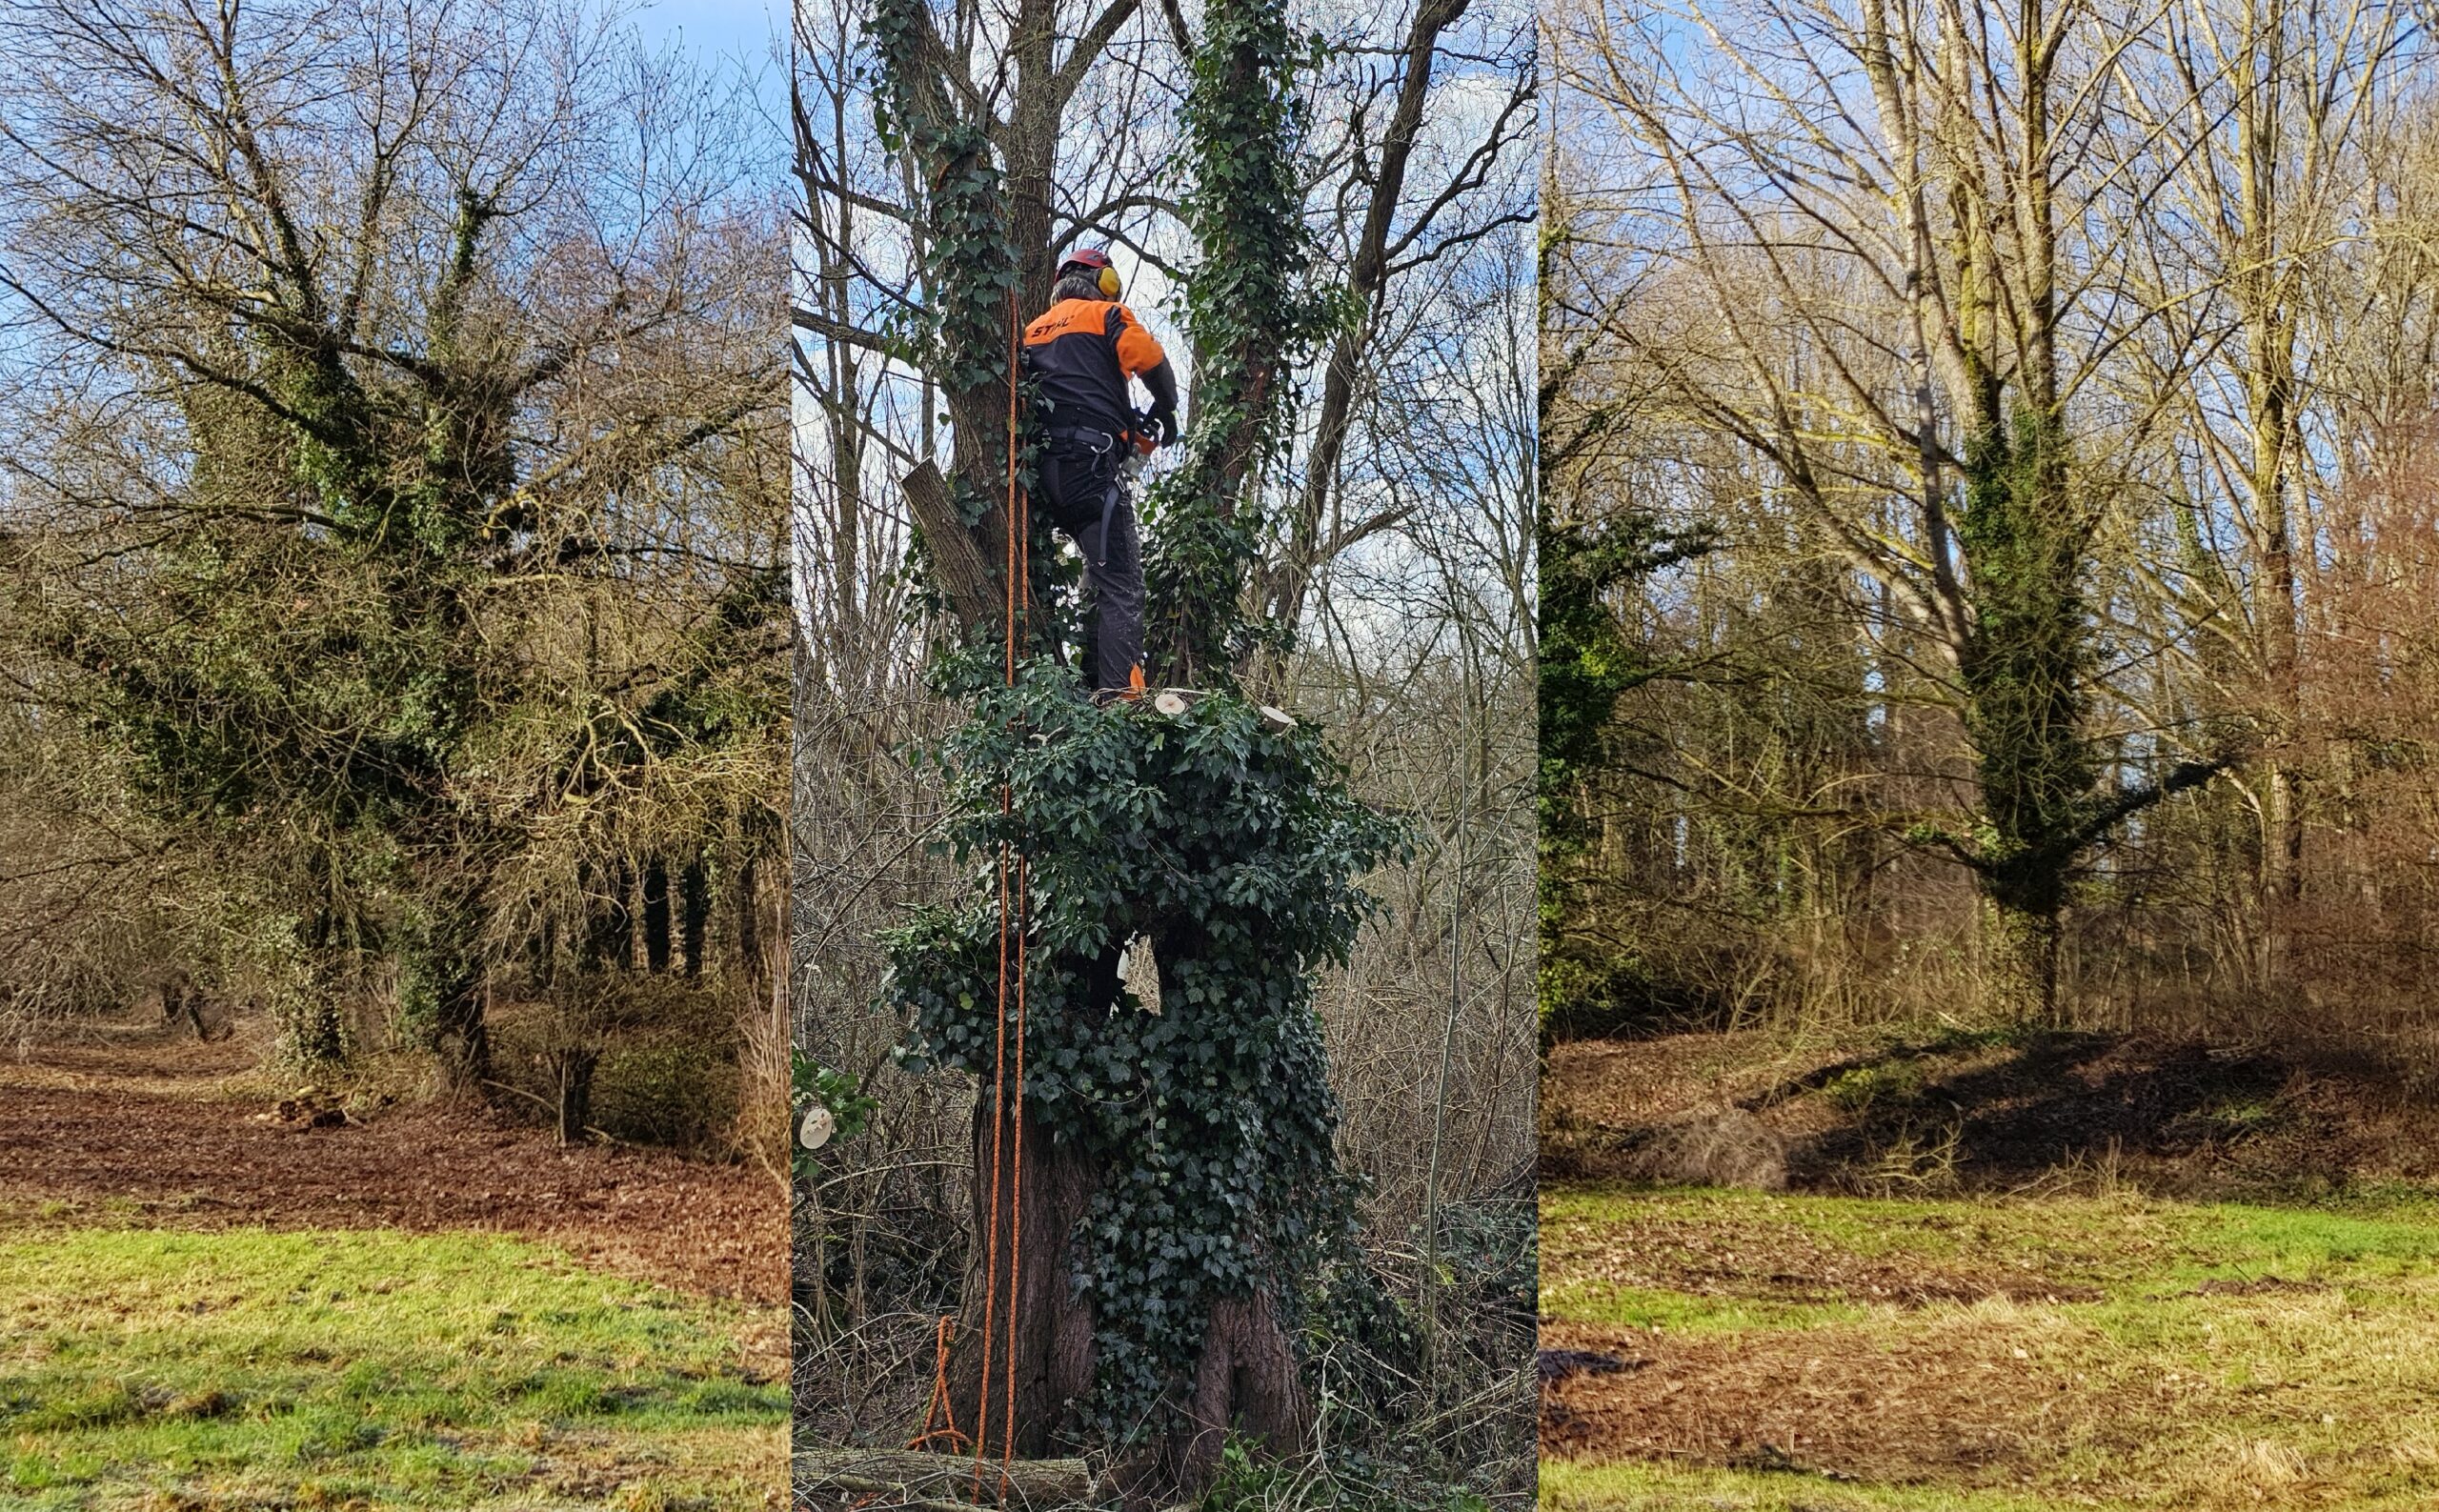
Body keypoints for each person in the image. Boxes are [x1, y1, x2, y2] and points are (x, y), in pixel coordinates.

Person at [1021, 247, 1179, 694]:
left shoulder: (1030, 332)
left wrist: (1129, 426)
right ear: (1103, 281)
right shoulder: (1107, 314)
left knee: (1094, 579)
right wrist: (1167, 408)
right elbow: (1150, 361)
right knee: (1122, 587)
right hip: (1091, 475)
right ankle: (1118, 702)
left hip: (1039, 479)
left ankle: (1082, 684)